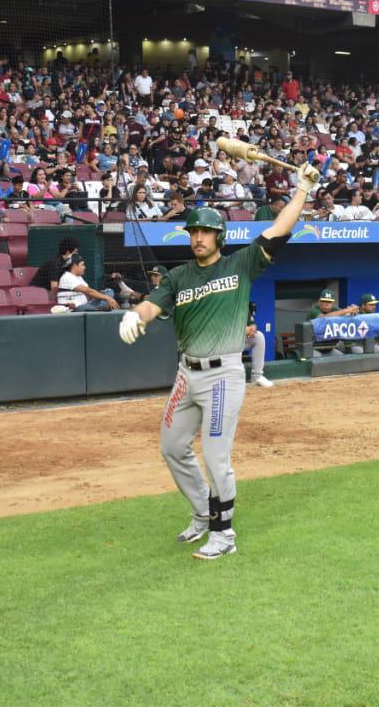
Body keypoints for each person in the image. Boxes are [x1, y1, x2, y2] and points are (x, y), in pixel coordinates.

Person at [118, 162, 320, 560]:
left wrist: (302, 191)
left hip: (223, 375)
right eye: (193, 231)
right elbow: (150, 306)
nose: (197, 237)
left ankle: (223, 534)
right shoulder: (178, 277)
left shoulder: (239, 264)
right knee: (173, 447)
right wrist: (133, 315)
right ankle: (201, 513)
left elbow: (278, 232)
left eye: (205, 231)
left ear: (219, 237)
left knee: (214, 455)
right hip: (185, 374)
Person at [244, 303, 271, 388]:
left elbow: (251, 322)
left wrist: (252, 328)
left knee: (258, 336)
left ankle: (257, 377)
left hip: (239, 339)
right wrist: (243, 330)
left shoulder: (242, 304)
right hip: (223, 342)